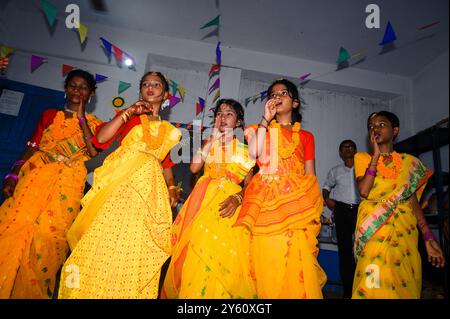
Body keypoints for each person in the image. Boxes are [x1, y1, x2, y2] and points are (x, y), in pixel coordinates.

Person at [58, 71, 181, 299]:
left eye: (156, 85)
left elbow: (166, 164)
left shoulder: (168, 130)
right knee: (106, 237)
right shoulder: (131, 117)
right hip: (122, 184)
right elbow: (101, 139)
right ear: (140, 90)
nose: (150, 88)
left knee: (136, 244)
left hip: (150, 191)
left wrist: (172, 188)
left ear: (166, 94)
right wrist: (127, 112)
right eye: (145, 84)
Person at [0, 69, 102, 298]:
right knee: (15, 227)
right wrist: (13, 175)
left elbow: (94, 150)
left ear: (91, 94)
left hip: (67, 186)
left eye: (83, 88)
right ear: (66, 89)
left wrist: (82, 117)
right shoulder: (49, 115)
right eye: (73, 86)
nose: (77, 90)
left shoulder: (96, 125)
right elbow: (33, 145)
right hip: (35, 177)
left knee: (46, 237)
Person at [234, 78, 327, 298]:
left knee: (294, 261)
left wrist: (314, 211)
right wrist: (265, 120)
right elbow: (253, 154)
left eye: (283, 93)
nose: (277, 97)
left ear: (294, 103)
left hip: (296, 206)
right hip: (265, 203)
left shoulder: (306, 136)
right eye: (273, 95)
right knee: (268, 259)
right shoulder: (258, 129)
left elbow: (310, 175)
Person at [162, 99, 256, 299]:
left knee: (221, 256)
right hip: (202, 203)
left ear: (239, 122)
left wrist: (238, 197)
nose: (222, 117)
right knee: (196, 251)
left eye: (229, 114)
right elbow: (194, 168)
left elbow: (250, 185)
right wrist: (212, 139)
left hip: (228, 207)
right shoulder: (209, 143)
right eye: (219, 114)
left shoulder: (246, 151)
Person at [352, 111, 445, 299]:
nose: (375, 129)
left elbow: (412, 201)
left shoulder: (410, 164)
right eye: (371, 127)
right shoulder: (362, 158)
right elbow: (364, 191)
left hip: (405, 230)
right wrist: (375, 158)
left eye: (381, 124)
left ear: (395, 130)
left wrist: (428, 237)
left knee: (404, 280)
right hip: (373, 229)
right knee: (372, 280)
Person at [322, 139, 360, 298]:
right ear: (340, 153)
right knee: (344, 252)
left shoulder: (363, 169)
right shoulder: (335, 171)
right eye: (344, 147)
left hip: (360, 210)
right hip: (342, 211)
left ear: (355, 150)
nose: (347, 149)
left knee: (362, 250)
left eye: (350, 146)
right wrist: (328, 200)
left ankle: (363, 288)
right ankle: (347, 291)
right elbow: (325, 187)